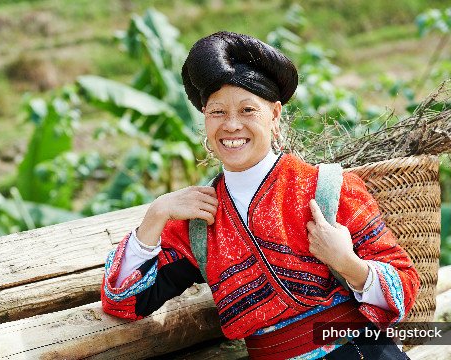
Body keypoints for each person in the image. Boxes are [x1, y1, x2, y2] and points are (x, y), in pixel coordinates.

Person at [101, 31, 419, 359]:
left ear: (275, 115)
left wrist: (346, 262)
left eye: (248, 110)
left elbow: (405, 287)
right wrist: (156, 214)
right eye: (217, 112)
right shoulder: (199, 222)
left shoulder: (328, 189)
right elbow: (122, 301)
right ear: (205, 122)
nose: (232, 125)